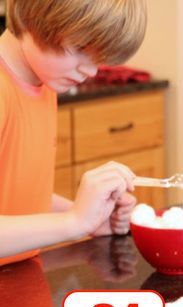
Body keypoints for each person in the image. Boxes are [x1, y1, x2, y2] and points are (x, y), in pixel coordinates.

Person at [0, 0, 147, 266]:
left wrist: (90, 216)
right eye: (79, 48)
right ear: (35, 14)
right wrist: (73, 222)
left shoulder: (43, 81)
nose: (90, 71)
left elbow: (15, 197)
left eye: (98, 58)